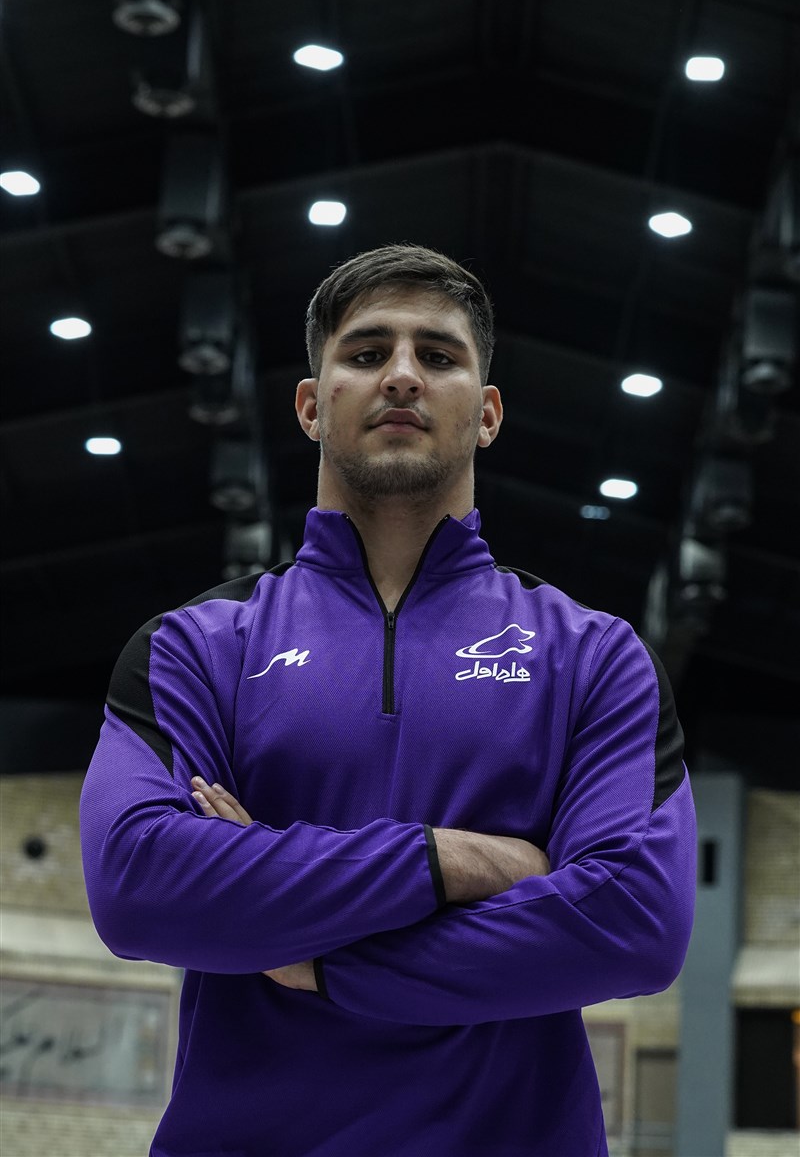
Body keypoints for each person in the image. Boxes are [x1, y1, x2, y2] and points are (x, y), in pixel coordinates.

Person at [80, 243, 696, 1157]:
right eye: (367, 353)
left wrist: (323, 961)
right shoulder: (197, 647)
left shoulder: (595, 656)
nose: (403, 375)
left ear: (487, 414)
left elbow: (634, 923)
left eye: (438, 356)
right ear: (310, 405)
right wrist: (455, 861)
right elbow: (139, 884)